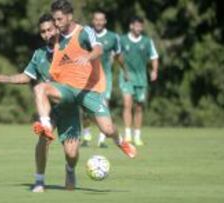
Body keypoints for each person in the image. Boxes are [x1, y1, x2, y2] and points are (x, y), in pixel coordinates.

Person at [0, 14, 81, 192]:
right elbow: (26, 77)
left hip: (69, 107)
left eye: (49, 29)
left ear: (57, 28)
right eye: (43, 31)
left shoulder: (71, 49)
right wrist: (0, 78)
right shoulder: (39, 54)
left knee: (71, 153)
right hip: (49, 108)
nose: (46, 34)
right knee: (44, 138)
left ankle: (70, 169)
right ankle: (39, 180)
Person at [32, 0, 136, 161]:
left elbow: (98, 48)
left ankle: (120, 141)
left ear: (69, 17)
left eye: (59, 19)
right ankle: (45, 126)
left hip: (89, 89)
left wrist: (88, 56)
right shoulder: (56, 36)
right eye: (55, 20)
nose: (56, 23)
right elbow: (45, 41)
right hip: (67, 89)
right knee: (40, 89)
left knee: (107, 129)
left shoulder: (84, 32)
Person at [81, 9, 122, 148]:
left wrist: (124, 71)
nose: (98, 22)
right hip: (87, 77)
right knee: (84, 108)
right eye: (96, 19)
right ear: (93, 21)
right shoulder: (86, 35)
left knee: (103, 106)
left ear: (105, 21)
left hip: (105, 77)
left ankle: (102, 139)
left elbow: (118, 56)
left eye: (101, 19)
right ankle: (86, 136)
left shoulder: (113, 37)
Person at [119, 16, 159, 146]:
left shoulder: (147, 41)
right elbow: (117, 56)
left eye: (140, 26)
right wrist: (124, 71)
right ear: (131, 26)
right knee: (127, 104)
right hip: (126, 77)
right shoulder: (123, 40)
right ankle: (128, 135)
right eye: (136, 25)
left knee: (139, 107)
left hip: (141, 78)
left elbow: (154, 57)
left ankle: (137, 136)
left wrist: (154, 70)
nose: (138, 28)